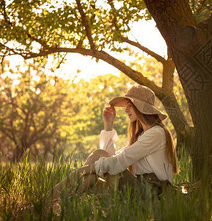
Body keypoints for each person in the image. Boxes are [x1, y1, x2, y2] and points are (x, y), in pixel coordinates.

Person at [46, 85, 178, 202]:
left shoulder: (156, 133)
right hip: (140, 188)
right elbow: (111, 156)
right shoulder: (142, 135)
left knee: (94, 165)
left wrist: (86, 169)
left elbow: (121, 160)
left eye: (130, 106)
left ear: (141, 107)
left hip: (153, 194)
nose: (126, 110)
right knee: (91, 179)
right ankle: (54, 203)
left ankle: (48, 203)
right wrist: (108, 124)